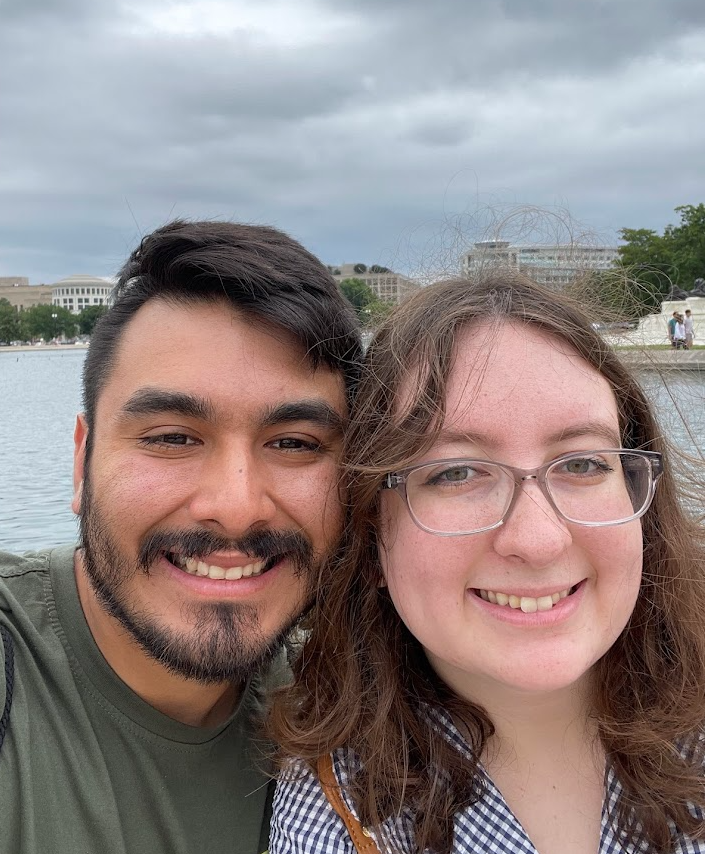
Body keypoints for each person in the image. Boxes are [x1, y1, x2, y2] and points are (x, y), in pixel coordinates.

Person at [269, 272, 705, 854]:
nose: (539, 539)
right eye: (455, 472)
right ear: (371, 533)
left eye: (582, 464)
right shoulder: (333, 821)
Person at [0, 219, 362, 854]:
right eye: (171, 437)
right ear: (82, 463)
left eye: (294, 444)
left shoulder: (347, 702)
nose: (237, 507)